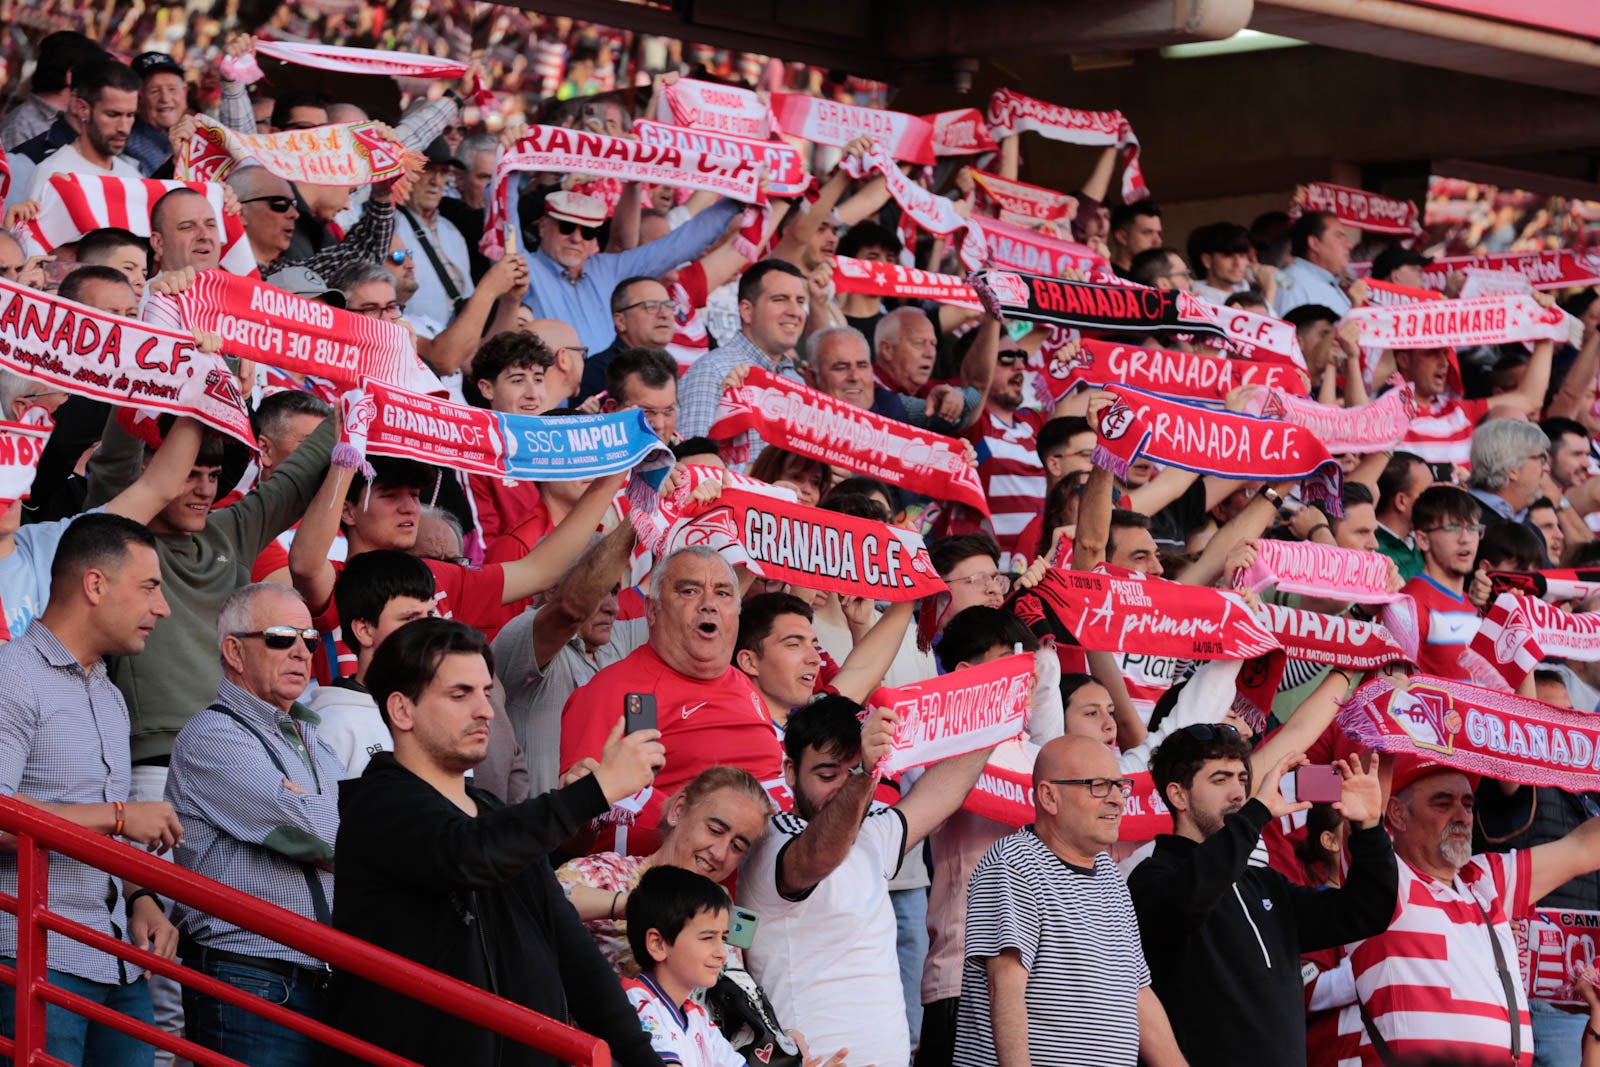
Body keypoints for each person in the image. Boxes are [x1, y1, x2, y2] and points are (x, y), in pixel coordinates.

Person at [325, 617, 668, 1067]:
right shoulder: (379, 805)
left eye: (486, 692)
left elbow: (577, 958)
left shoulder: (493, 814)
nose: (485, 710)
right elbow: (468, 853)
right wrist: (597, 789)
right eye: (459, 694)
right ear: (402, 710)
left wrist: (646, 1062)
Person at [0, 513, 183, 1067]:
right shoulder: (11, 674)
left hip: (116, 956)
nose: (163, 608)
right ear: (95, 585)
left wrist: (141, 898)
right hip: (35, 953)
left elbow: (108, 826)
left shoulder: (108, 692)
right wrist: (121, 816)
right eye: (150, 587)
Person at [738, 693, 998, 1067]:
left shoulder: (871, 833)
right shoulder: (772, 842)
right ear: (791, 771)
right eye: (827, 775)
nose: (841, 788)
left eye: (852, 772)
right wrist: (861, 777)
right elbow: (820, 855)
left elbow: (940, 793)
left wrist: (1001, 718)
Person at [1127, 726, 1398, 1067]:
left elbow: (1366, 911)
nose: (1238, 793)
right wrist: (1256, 814)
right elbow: (1188, 901)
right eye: (1220, 779)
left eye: (1242, 779)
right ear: (1178, 796)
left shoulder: (1265, 883)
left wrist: (1370, 828)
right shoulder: (1151, 878)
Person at [165, 582, 343, 1067]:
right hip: (251, 977)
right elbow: (322, 835)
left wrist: (320, 807)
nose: (303, 651)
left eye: (309, 639)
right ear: (234, 651)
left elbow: (349, 824)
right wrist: (324, 808)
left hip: (317, 978)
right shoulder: (212, 734)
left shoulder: (313, 737)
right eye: (283, 637)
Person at [1341, 755, 1600, 1065]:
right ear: (1397, 813)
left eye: (1467, 803)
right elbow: (1366, 810)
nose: (1462, 816)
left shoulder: (1484, 879)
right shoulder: (1387, 883)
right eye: (1443, 803)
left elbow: (1584, 848)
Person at [951, 735, 1185, 1067]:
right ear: (1049, 796)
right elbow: (1004, 988)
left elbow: (1137, 994)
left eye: (1120, 786)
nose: (1118, 800)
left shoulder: (1109, 874)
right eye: (1100, 786)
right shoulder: (1014, 862)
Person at [558, 546, 788, 854]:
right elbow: (575, 835)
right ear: (652, 610)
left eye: (723, 594)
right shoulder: (612, 693)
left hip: (762, 880)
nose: (709, 605)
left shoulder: (746, 686)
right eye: (690, 591)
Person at [557, 766, 773, 975]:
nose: (719, 853)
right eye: (714, 830)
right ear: (678, 810)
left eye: (737, 847)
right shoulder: (607, 874)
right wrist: (637, 905)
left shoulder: (722, 911)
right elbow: (536, 904)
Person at [493, 521, 641, 792]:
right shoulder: (521, 635)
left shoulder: (611, 640)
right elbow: (569, 610)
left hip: (598, 827)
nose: (613, 607)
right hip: (539, 832)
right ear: (552, 589)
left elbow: (690, 623)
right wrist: (639, 519)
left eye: (615, 591)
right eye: (599, 591)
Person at [521, 189, 743, 354]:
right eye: (566, 227)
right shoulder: (522, 265)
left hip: (605, 394)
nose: (576, 238)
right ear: (543, 226)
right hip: (548, 403)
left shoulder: (607, 268)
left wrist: (737, 200)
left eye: (588, 232)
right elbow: (503, 222)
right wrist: (509, 163)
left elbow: (678, 246)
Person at [307, 550, 436, 777]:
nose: (428, 631)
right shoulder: (331, 726)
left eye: (430, 616)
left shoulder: (444, 711)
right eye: (409, 619)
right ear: (365, 630)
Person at [622, 865, 753, 1067]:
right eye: (708, 937)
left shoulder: (698, 1018)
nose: (722, 953)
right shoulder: (636, 1001)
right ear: (658, 944)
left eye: (723, 938)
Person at [678, 260, 809, 447]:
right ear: (747, 311)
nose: (795, 311)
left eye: (800, 301)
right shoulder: (712, 371)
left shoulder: (796, 380)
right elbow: (692, 463)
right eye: (780, 299)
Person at [24, 56, 143, 200]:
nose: (123, 128)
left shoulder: (133, 176)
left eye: (130, 115)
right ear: (82, 109)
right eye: (113, 114)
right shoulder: (52, 173)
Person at [1399, 485, 1483, 680]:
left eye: (1473, 528)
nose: (1465, 539)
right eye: (1452, 528)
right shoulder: (1409, 604)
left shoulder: (1475, 604)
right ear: (1422, 540)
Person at [395, 138, 474, 330]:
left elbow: (468, 295)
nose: (436, 181)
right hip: (412, 338)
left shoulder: (452, 232)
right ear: (407, 173)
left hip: (454, 342)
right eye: (427, 170)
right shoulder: (392, 225)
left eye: (443, 172)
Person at [579, 276, 678, 404]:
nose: (664, 314)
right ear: (620, 321)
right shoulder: (598, 372)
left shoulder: (667, 367)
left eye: (668, 305)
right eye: (651, 306)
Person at [1468, 419, 1552, 526]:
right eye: (1542, 459)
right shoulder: (1463, 518)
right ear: (1513, 468)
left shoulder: (1530, 527)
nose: (1546, 468)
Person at [1274, 211, 1355, 317]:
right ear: (1314, 243)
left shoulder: (1329, 282)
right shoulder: (1288, 281)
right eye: (1339, 236)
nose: (1349, 245)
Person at [603, 346, 680, 443]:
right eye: (646, 412)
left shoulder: (687, 456)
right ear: (612, 409)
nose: (659, 425)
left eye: (668, 411)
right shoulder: (588, 456)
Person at [1375, 451, 1430, 581]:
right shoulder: (1374, 553)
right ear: (1401, 501)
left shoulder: (1422, 542)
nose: (1436, 502)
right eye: (1428, 494)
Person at [1109, 201, 1164, 276]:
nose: (1158, 241)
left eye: (1158, 233)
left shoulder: (1155, 280)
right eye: (1147, 232)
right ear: (1122, 237)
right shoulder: (1108, 279)